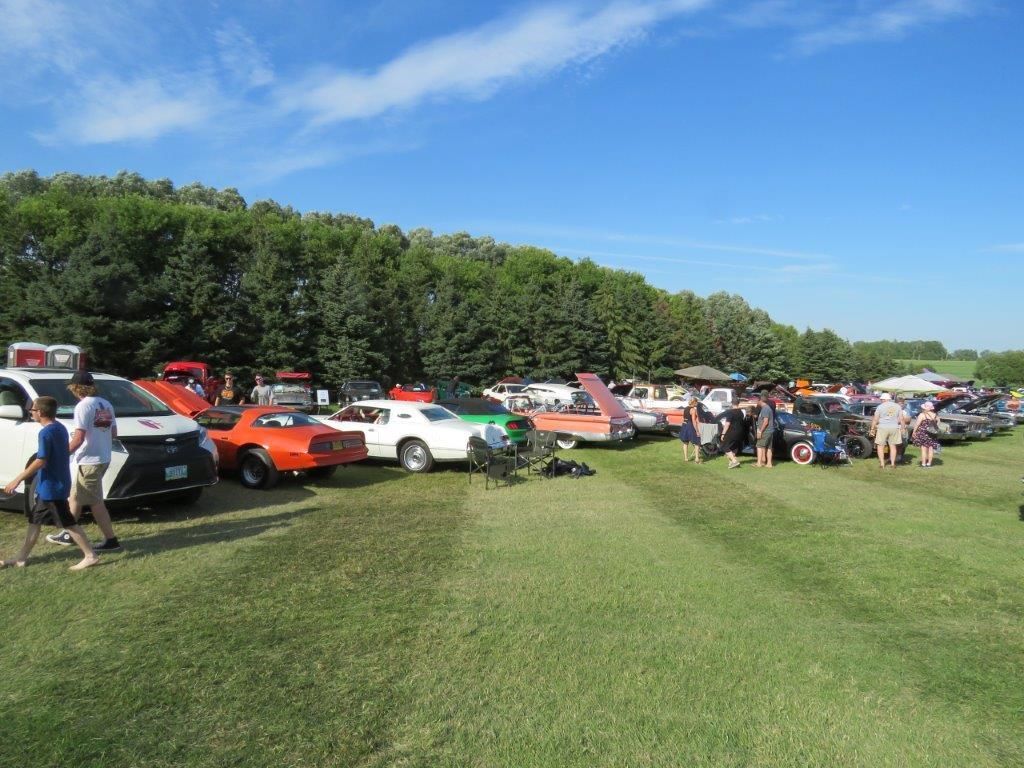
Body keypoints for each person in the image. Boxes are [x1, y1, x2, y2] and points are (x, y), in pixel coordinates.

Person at [3, 397, 99, 570]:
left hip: (53, 487)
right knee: (34, 521)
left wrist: (17, 479)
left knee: (68, 523)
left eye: (32, 410)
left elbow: (41, 460)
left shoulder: (46, 433)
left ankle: (90, 555)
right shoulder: (60, 427)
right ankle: (21, 559)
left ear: (40, 412)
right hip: (49, 485)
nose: (31, 413)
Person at [46, 371, 122, 552]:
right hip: (103, 457)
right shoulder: (106, 404)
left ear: (75, 388)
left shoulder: (83, 406)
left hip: (88, 460)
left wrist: (60, 455)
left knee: (95, 502)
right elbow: (113, 433)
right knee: (76, 496)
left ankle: (111, 540)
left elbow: (79, 438)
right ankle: (67, 534)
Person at [870, 392, 907, 469]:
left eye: (882, 399)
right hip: (894, 427)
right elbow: (901, 418)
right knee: (893, 446)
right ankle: (893, 464)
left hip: (882, 427)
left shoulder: (880, 407)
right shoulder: (897, 406)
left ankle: (882, 464)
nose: (881, 401)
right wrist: (903, 428)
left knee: (880, 446)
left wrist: (872, 429)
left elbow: (875, 419)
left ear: (884, 399)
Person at [718, 404, 750, 469]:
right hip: (740, 433)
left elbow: (727, 424)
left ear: (732, 404)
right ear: (738, 404)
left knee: (724, 446)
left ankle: (734, 461)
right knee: (733, 447)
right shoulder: (741, 412)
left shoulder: (730, 412)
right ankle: (731, 462)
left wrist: (723, 434)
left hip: (732, 432)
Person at [911, 401, 941, 468]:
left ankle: (923, 464)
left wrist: (914, 432)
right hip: (932, 433)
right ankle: (929, 463)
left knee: (923, 449)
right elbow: (938, 422)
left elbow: (917, 424)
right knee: (931, 448)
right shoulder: (935, 415)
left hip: (923, 433)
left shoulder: (922, 415)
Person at [754, 393, 775, 467]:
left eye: (757, 401)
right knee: (769, 448)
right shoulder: (767, 408)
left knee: (759, 446)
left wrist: (760, 431)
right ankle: (769, 464)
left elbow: (765, 422)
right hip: (770, 431)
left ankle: (759, 463)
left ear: (760, 401)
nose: (756, 402)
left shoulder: (765, 409)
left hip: (765, 431)